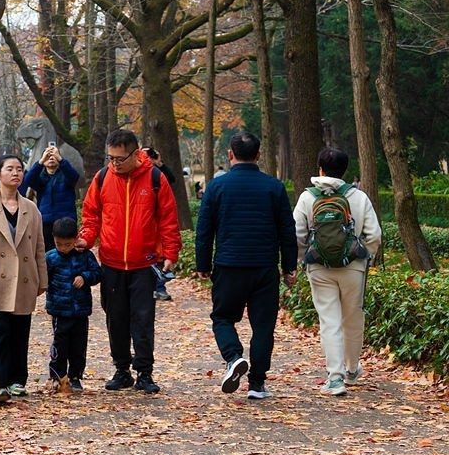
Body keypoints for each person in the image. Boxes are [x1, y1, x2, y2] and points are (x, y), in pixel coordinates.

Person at [194, 132, 298, 400]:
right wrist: (289, 266)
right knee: (263, 325)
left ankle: (233, 357)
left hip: (229, 265)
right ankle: (257, 383)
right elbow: (287, 230)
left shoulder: (216, 187)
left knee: (222, 317)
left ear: (230, 155)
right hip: (264, 267)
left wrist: (203, 264)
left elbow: (204, 230)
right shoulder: (274, 187)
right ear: (259, 155)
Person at [77, 129, 181, 395]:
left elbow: (169, 218)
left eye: (120, 158)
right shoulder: (102, 179)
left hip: (144, 265)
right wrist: (86, 240)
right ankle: (121, 369)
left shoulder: (155, 179)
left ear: (136, 154)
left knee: (143, 320)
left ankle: (144, 372)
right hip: (111, 263)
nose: (114, 163)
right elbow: (91, 217)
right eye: (111, 158)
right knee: (117, 319)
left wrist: (171, 253)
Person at [293, 147, 382, 396]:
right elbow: (374, 235)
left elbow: (297, 235)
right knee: (353, 318)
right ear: (345, 170)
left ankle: (335, 378)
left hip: (319, 267)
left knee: (329, 321)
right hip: (353, 267)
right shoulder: (358, 197)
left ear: (320, 168)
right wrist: (365, 257)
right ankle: (352, 369)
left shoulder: (307, 198)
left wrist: (304, 260)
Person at [0, 154, 48, 405]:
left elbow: (39, 246)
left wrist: (41, 279)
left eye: (19, 169)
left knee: (20, 333)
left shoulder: (31, 208)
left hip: (24, 279)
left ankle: (17, 381)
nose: (16, 173)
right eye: (10, 169)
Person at [44, 216, 102, 394]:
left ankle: (75, 376)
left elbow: (98, 273)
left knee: (78, 345)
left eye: (67, 244)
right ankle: (58, 376)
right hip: (59, 310)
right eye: (58, 244)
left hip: (80, 310)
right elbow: (42, 278)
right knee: (60, 344)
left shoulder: (85, 256)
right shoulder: (51, 258)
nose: (63, 248)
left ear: (76, 239)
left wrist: (85, 277)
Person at [20, 143, 80, 248]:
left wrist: (61, 160)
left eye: (54, 156)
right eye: (48, 156)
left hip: (66, 221)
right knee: (47, 253)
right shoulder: (41, 177)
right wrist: (40, 162)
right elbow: (28, 180)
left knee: (68, 250)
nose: (51, 158)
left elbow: (74, 176)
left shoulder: (65, 175)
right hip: (46, 221)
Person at [141, 146, 177, 301]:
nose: (146, 157)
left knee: (159, 254)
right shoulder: (139, 173)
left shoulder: (157, 175)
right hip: (144, 222)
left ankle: (160, 286)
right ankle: (150, 286)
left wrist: (159, 163)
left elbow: (172, 179)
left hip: (158, 222)